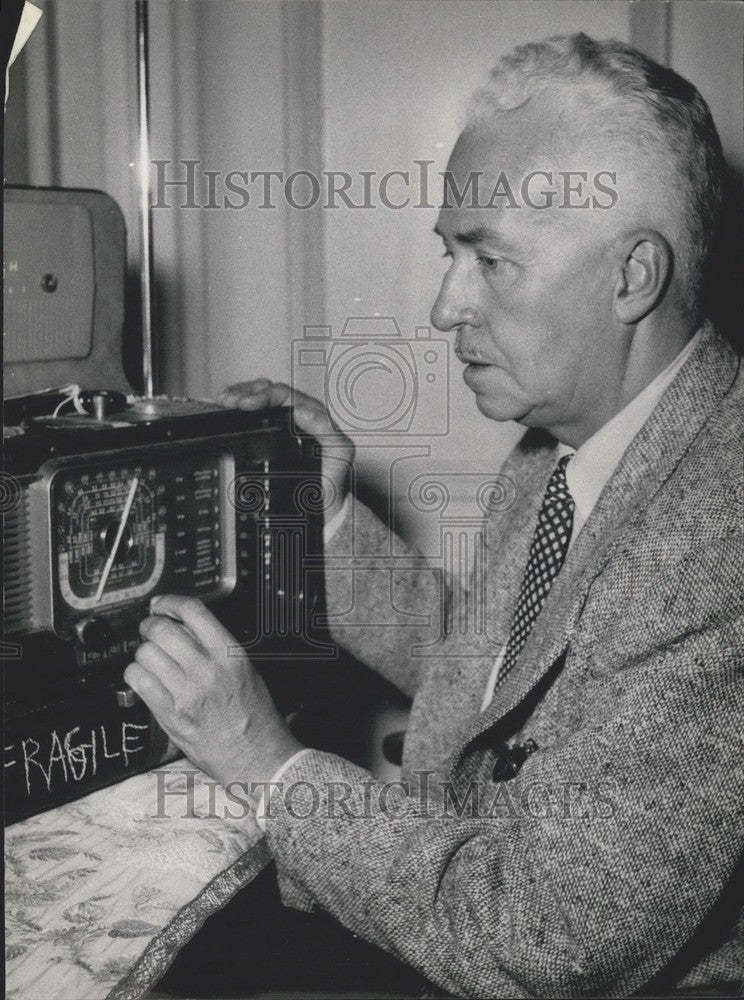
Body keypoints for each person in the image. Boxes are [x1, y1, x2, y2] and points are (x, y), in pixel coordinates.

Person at [127, 34, 743, 998]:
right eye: (449, 254)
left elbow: (546, 938)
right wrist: (320, 526)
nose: (444, 306)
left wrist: (269, 766)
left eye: (490, 259)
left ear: (634, 276)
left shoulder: (722, 537)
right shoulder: (570, 439)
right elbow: (507, 681)